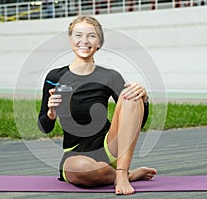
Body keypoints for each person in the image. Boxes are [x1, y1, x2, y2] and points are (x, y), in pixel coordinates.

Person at [38, 15, 157, 195]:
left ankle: (122, 172)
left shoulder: (110, 76)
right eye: (78, 35)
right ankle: (127, 175)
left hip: (110, 146)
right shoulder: (55, 77)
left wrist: (143, 99)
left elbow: (134, 123)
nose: (84, 41)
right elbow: (44, 128)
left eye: (91, 36)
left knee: (130, 94)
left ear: (99, 42)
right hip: (75, 152)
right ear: (70, 40)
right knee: (82, 171)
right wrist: (51, 113)